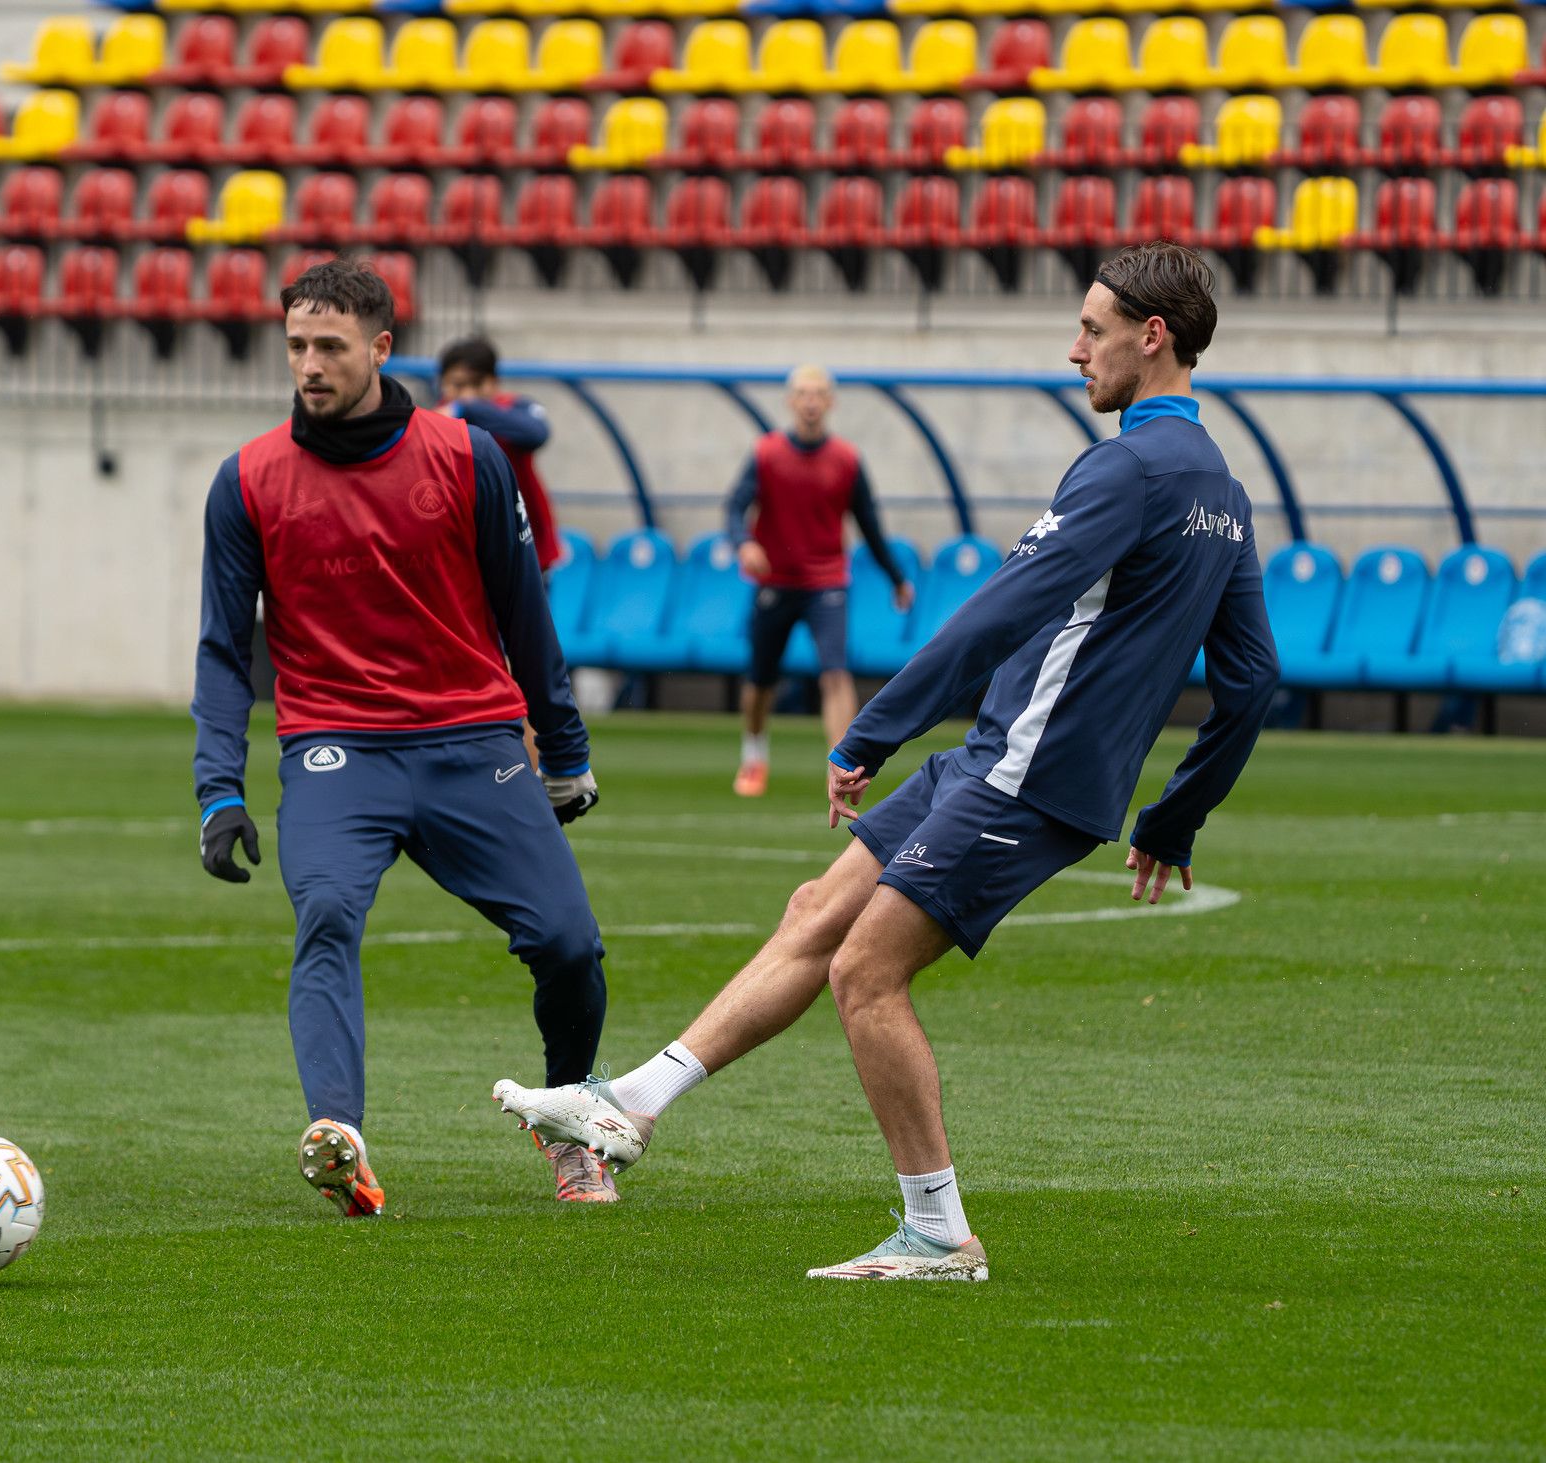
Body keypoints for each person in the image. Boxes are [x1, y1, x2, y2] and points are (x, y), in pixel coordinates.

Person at [494, 241, 1280, 1281]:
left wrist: (872, 727)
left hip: (1024, 773)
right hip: (1004, 758)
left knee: (865, 973)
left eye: (1090, 329)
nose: (1072, 348)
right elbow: (1253, 676)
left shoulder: (1126, 467)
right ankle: (626, 1106)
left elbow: (1005, 608)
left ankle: (937, 1230)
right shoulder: (1218, 486)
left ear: (1152, 335)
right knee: (815, 912)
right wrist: (1173, 816)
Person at [193, 259, 613, 1216]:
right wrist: (220, 789)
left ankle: (571, 1122)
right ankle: (338, 1135)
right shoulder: (247, 480)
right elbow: (224, 652)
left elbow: (523, 609)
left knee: (569, 945)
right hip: (336, 750)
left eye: (330, 346)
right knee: (327, 915)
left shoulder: (467, 456)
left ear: (381, 348)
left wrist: (566, 748)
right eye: (296, 344)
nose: (308, 364)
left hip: (475, 740)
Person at [727, 365, 912, 799]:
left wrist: (897, 579)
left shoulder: (846, 459)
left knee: (835, 673)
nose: (811, 401)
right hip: (775, 580)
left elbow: (869, 525)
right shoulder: (766, 453)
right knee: (760, 681)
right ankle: (754, 756)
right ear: (791, 402)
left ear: (831, 402)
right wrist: (743, 544)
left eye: (819, 394)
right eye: (803, 394)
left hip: (827, 581)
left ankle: (842, 765)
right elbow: (734, 508)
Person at [435, 336, 562, 578]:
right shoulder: (439, 417)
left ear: (493, 382)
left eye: (475, 383)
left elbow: (536, 433)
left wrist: (470, 408)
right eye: (457, 385)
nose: (466, 393)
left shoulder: (513, 408)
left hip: (526, 546)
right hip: (469, 552)